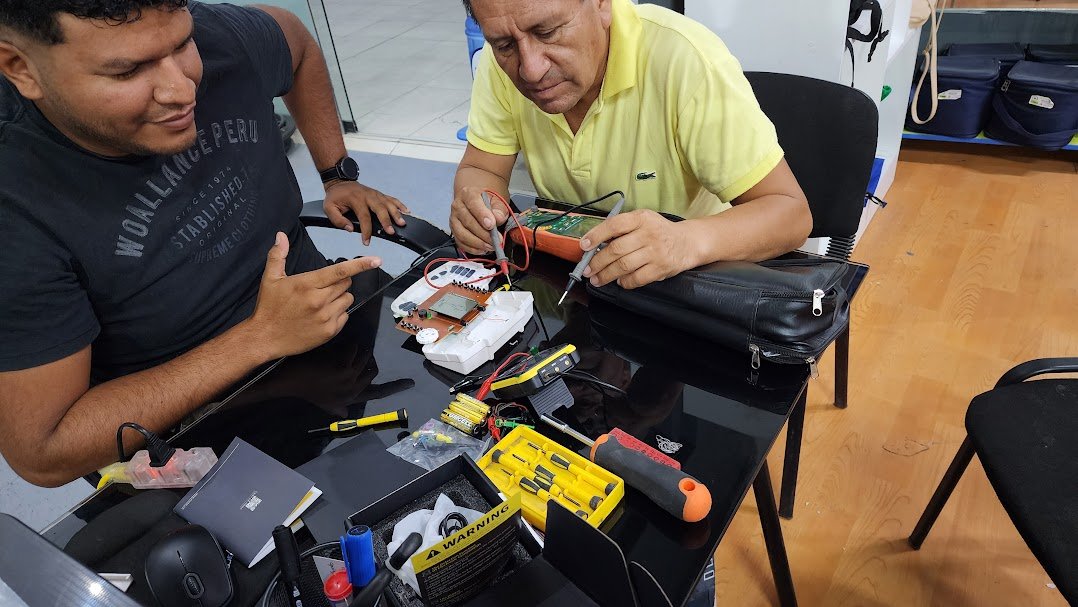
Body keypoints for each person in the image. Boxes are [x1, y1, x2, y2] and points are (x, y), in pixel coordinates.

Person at [0, 1, 403, 487]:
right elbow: (44, 452)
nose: (181, 89)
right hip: (193, 433)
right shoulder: (16, 204)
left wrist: (337, 173)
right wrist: (259, 337)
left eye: (182, 44)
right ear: (20, 68)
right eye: (127, 71)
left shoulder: (220, 40)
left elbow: (296, 43)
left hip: (328, 327)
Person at [450, 0, 813, 290]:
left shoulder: (684, 60)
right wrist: (477, 209)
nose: (530, 69)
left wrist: (684, 242)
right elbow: (481, 169)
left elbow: (790, 214)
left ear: (601, 4)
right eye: (504, 45)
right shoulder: (501, 64)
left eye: (547, 32)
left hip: (684, 283)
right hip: (573, 281)